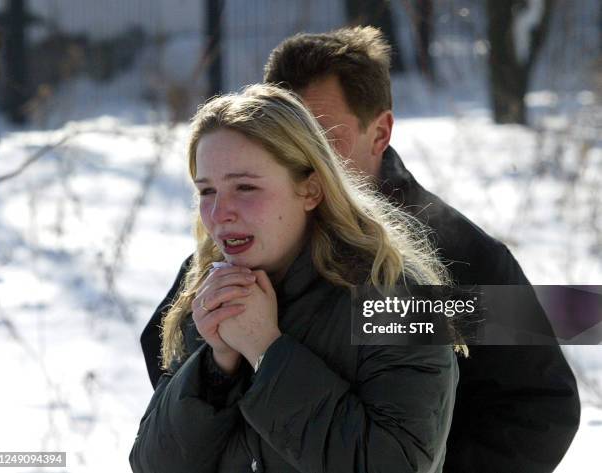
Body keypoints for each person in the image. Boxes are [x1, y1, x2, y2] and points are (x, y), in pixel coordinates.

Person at [140, 27, 580, 472]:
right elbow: (165, 394)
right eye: (286, 130)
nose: (308, 152)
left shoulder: (446, 255)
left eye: (323, 133)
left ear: (380, 132)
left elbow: (541, 398)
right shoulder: (234, 254)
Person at [130, 84, 460, 473]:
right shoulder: (206, 285)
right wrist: (216, 367)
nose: (220, 213)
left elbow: (397, 464)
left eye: (245, 187)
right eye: (207, 191)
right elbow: (153, 465)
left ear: (310, 189)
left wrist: (266, 350)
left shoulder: (398, 294)